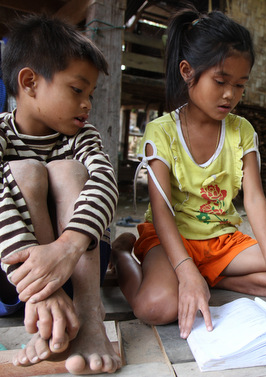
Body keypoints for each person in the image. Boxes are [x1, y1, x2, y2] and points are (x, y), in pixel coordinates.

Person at [112, 7, 266, 339]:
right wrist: (184, 270)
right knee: (156, 308)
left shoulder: (243, 131)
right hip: (171, 241)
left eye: (240, 85)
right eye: (221, 81)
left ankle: (211, 276)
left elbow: (254, 199)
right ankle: (122, 252)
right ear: (187, 71)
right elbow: (163, 210)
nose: (231, 95)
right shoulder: (161, 132)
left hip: (222, 241)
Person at [0, 15, 121, 374]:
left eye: (90, 95)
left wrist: (67, 245)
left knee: (69, 169)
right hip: (18, 278)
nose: (87, 104)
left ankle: (87, 314)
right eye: (76, 90)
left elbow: (105, 181)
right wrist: (42, 285)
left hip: (80, 266)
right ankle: (47, 310)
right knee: (25, 172)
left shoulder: (82, 138)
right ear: (30, 82)